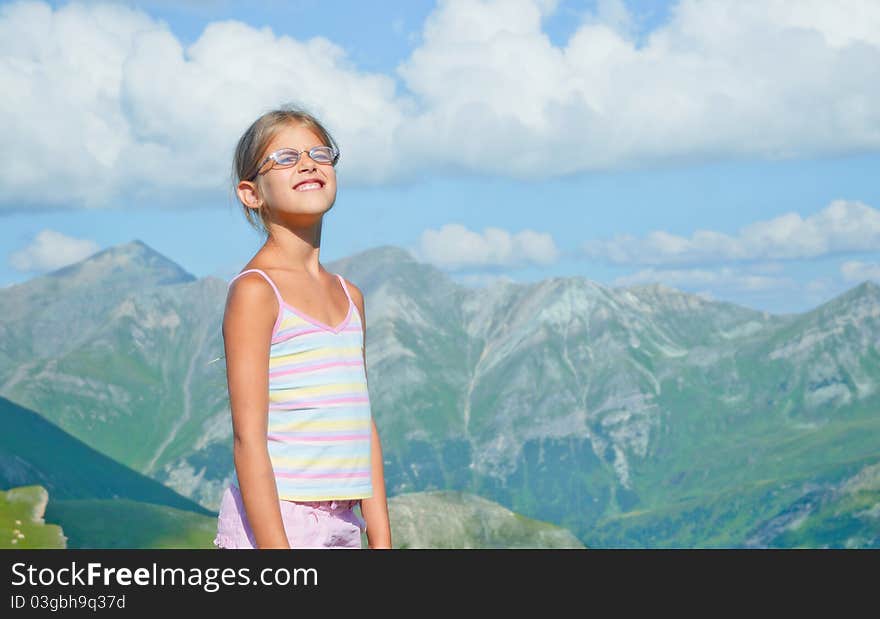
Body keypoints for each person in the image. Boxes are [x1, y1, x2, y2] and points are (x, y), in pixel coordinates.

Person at [213, 104, 392, 549]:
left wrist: (382, 541)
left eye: (319, 152)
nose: (308, 163)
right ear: (251, 194)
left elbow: (361, 425)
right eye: (286, 158)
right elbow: (247, 439)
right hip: (280, 526)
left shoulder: (351, 297)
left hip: (345, 522)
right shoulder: (257, 292)